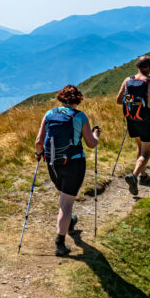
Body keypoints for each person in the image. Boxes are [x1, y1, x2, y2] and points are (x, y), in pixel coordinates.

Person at [35, 85, 100, 256]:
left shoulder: (49, 114)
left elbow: (38, 141)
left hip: (53, 163)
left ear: (61, 98)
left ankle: (69, 221)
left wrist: (38, 154)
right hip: (74, 163)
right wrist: (96, 134)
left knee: (64, 197)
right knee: (66, 204)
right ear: (78, 99)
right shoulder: (80, 116)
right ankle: (60, 243)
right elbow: (91, 143)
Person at [116, 55, 150, 195]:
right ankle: (134, 175)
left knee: (140, 146)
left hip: (131, 119)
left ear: (137, 66)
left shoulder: (128, 80)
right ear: (149, 68)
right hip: (146, 120)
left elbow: (119, 101)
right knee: (147, 151)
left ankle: (143, 176)